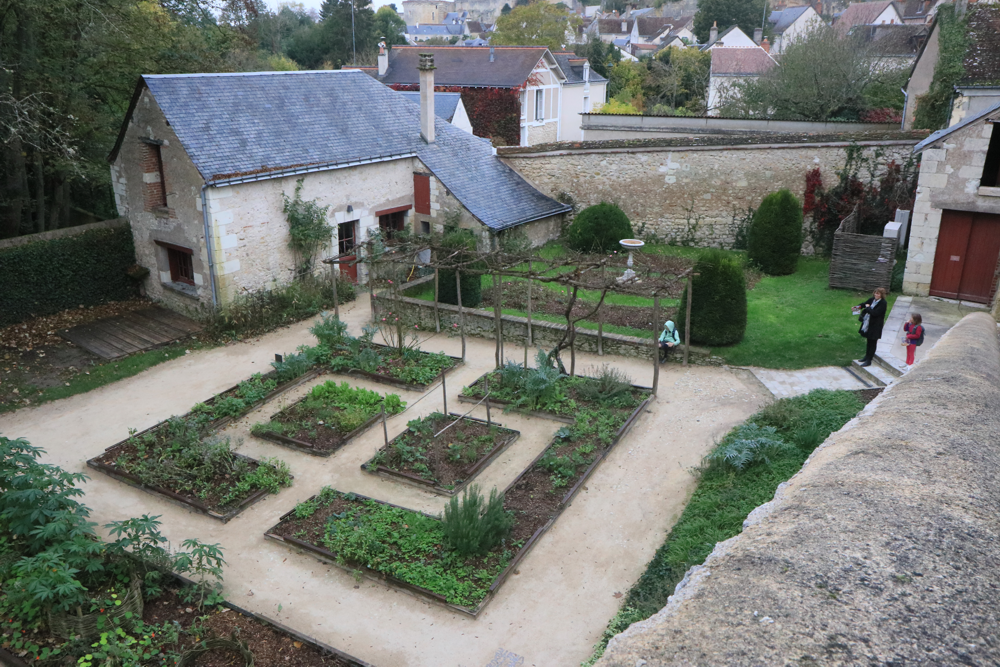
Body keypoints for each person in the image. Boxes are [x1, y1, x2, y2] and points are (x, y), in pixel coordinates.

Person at [854, 287, 887, 367]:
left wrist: (868, 307)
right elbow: (864, 304)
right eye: (875, 293)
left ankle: (869, 360)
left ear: (881, 295)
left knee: (873, 342)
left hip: (876, 325)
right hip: (869, 324)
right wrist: (856, 308)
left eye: (878, 293)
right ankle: (866, 356)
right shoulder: (872, 300)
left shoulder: (883, 303)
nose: (876, 294)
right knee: (869, 341)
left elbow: (875, 313)